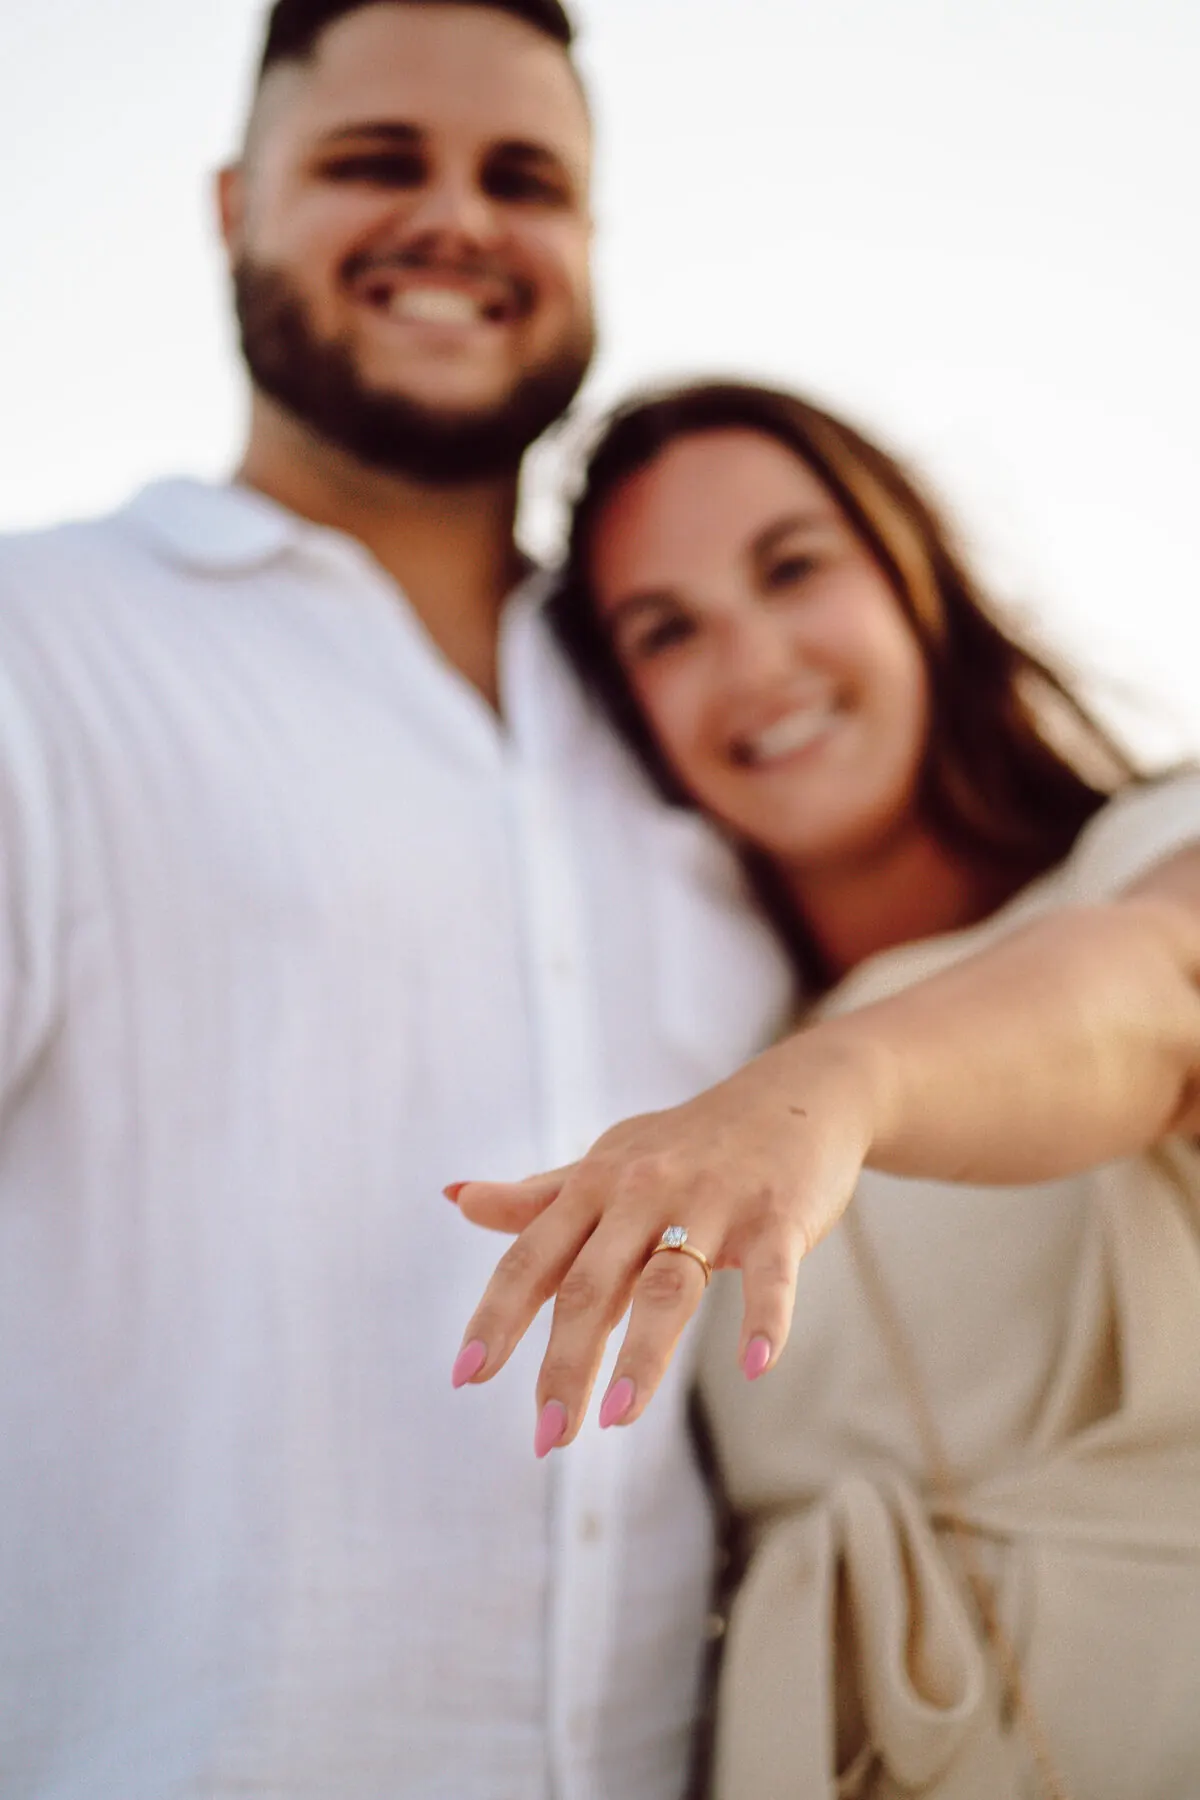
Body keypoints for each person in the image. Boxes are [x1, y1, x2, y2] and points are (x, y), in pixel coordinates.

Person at [0, 14, 795, 1798]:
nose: (455, 219)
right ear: (233, 207)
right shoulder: (36, 653)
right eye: (376, 161)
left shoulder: (697, 713)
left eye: (526, 180)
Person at [454, 382, 1200, 1798]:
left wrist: (838, 1087)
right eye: (666, 632)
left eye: (793, 568)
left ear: (913, 575)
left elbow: (1161, 996)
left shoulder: (1152, 856)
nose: (754, 663)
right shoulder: (687, 1091)